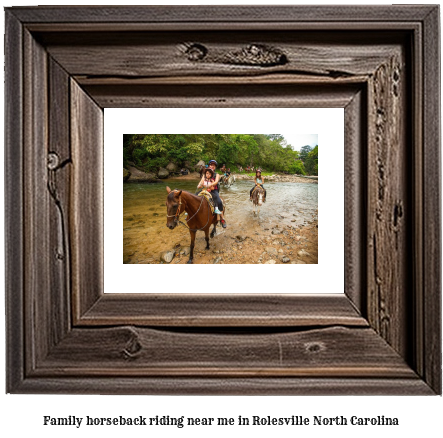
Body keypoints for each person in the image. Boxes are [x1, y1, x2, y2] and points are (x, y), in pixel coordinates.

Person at [205, 160, 227, 228]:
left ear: (215, 167)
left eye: (213, 165)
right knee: (195, 197)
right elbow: (202, 180)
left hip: (214, 190)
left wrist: (210, 184)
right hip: (205, 189)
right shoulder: (206, 173)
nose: (212, 166)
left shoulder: (216, 174)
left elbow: (216, 181)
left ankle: (222, 219)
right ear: (209, 166)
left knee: (219, 202)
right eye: (211, 165)